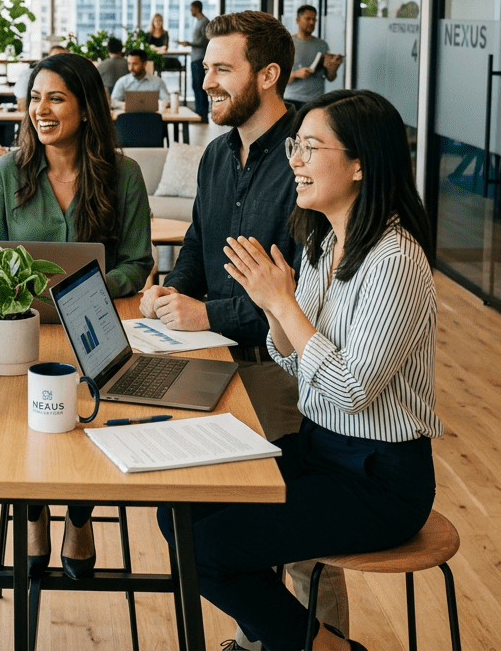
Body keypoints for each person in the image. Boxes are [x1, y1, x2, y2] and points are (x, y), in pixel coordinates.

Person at [157, 89, 441, 651]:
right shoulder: (322, 241)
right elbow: (290, 358)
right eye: (296, 146)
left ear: (360, 163)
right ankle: (291, 638)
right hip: (317, 447)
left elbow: (353, 387)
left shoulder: (396, 258)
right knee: (177, 513)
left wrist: (281, 304)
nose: (296, 161)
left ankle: (320, 647)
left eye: (311, 147)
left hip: (379, 479)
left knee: (207, 550)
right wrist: (273, 305)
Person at [139, 10, 349, 648]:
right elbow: (200, 248)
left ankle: (323, 639)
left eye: (221, 69)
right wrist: (170, 294)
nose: (207, 82)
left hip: (281, 366)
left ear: (269, 75)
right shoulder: (215, 155)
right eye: (205, 69)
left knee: (299, 538)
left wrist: (206, 315)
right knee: (216, 514)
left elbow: (296, 294)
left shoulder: (305, 165)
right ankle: (266, 635)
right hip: (210, 363)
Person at [0, 52, 153, 582]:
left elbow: (139, 263)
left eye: (56, 97)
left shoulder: (123, 174)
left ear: (86, 107)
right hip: (19, 332)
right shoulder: (7, 173)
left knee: (82, 424)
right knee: (23, 427)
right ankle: (34, 514)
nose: (41, 109)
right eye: (35, 97)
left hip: (95, 329)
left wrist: (91, 285)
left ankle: (79, 516)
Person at [284, 4, 343, 109]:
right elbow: (279, 78)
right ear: (297, 20)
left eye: (314, 19)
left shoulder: (322, 45)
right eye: (308, 19)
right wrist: (296, 74)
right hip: (292, 100)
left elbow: (330, 77)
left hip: (317, 101)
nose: (312, 22)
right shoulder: (287, 43)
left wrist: (332, 68)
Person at [178, 0, 210, 123]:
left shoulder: (204, 22)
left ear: (196, 9)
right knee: (195, 86)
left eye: (191, 9)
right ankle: (198, 114)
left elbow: (206, 41)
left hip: (200, 58)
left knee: (200, 87)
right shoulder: (198, 22)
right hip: (195, 57)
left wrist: (189, 44)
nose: (191, 11)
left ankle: (203, 115)